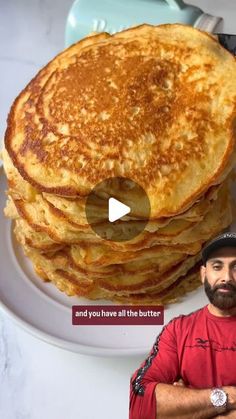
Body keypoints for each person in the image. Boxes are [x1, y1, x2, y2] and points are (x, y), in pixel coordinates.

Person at [129, 232, 236, 419]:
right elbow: (139, 403)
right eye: (217, 267)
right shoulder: (178, 330)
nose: (226, 277)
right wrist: (226, 397)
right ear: (203, 274)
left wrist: (186, 406)